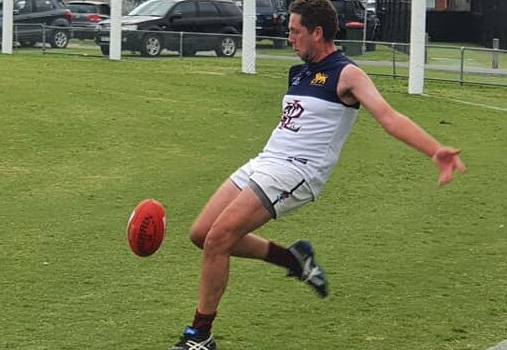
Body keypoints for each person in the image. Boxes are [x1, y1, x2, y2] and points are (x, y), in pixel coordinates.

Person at [170, 0, 466, 349]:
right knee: (201, 234)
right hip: (265, 160)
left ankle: (199, 337)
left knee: (218, 238)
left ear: (318, 32)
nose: (289, 37)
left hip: (296, 172)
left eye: (295, 31)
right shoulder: (297, 73)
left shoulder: (348, 74)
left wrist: (435, 150)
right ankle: (293, 259)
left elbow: (388, 118)